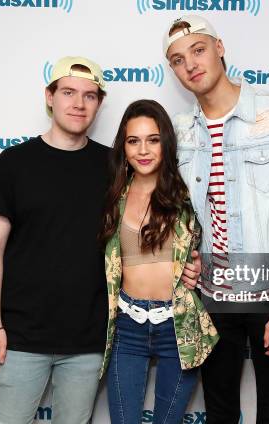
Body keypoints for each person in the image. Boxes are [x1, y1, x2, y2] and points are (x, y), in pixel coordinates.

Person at [0, 57, 202, 424]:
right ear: (49, 97)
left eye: (89, 95)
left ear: (99, 103)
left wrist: (190, 263)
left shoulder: (114, 168)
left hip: (88, 342)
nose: (78, 104)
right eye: (68, 92)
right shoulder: (13, 163)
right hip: (19, 338)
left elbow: (153, 225)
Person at [163, 15, 269, 424]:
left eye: (198, 50)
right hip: (211, 301)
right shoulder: (179, 132)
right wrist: (185, 264)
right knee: (219, 414)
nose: (191, 65)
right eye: (178, 60)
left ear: (219, 48)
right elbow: (173, 213)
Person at [99, 99, 219, 424]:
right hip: (127, 326)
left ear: (165, 141)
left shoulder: (187, 193)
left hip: (177, 326)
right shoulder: (113, 195)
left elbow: (217, 241)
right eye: (133, 141)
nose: (143, 150)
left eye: (153, 139)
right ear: (123, 147)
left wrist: (200, 267)